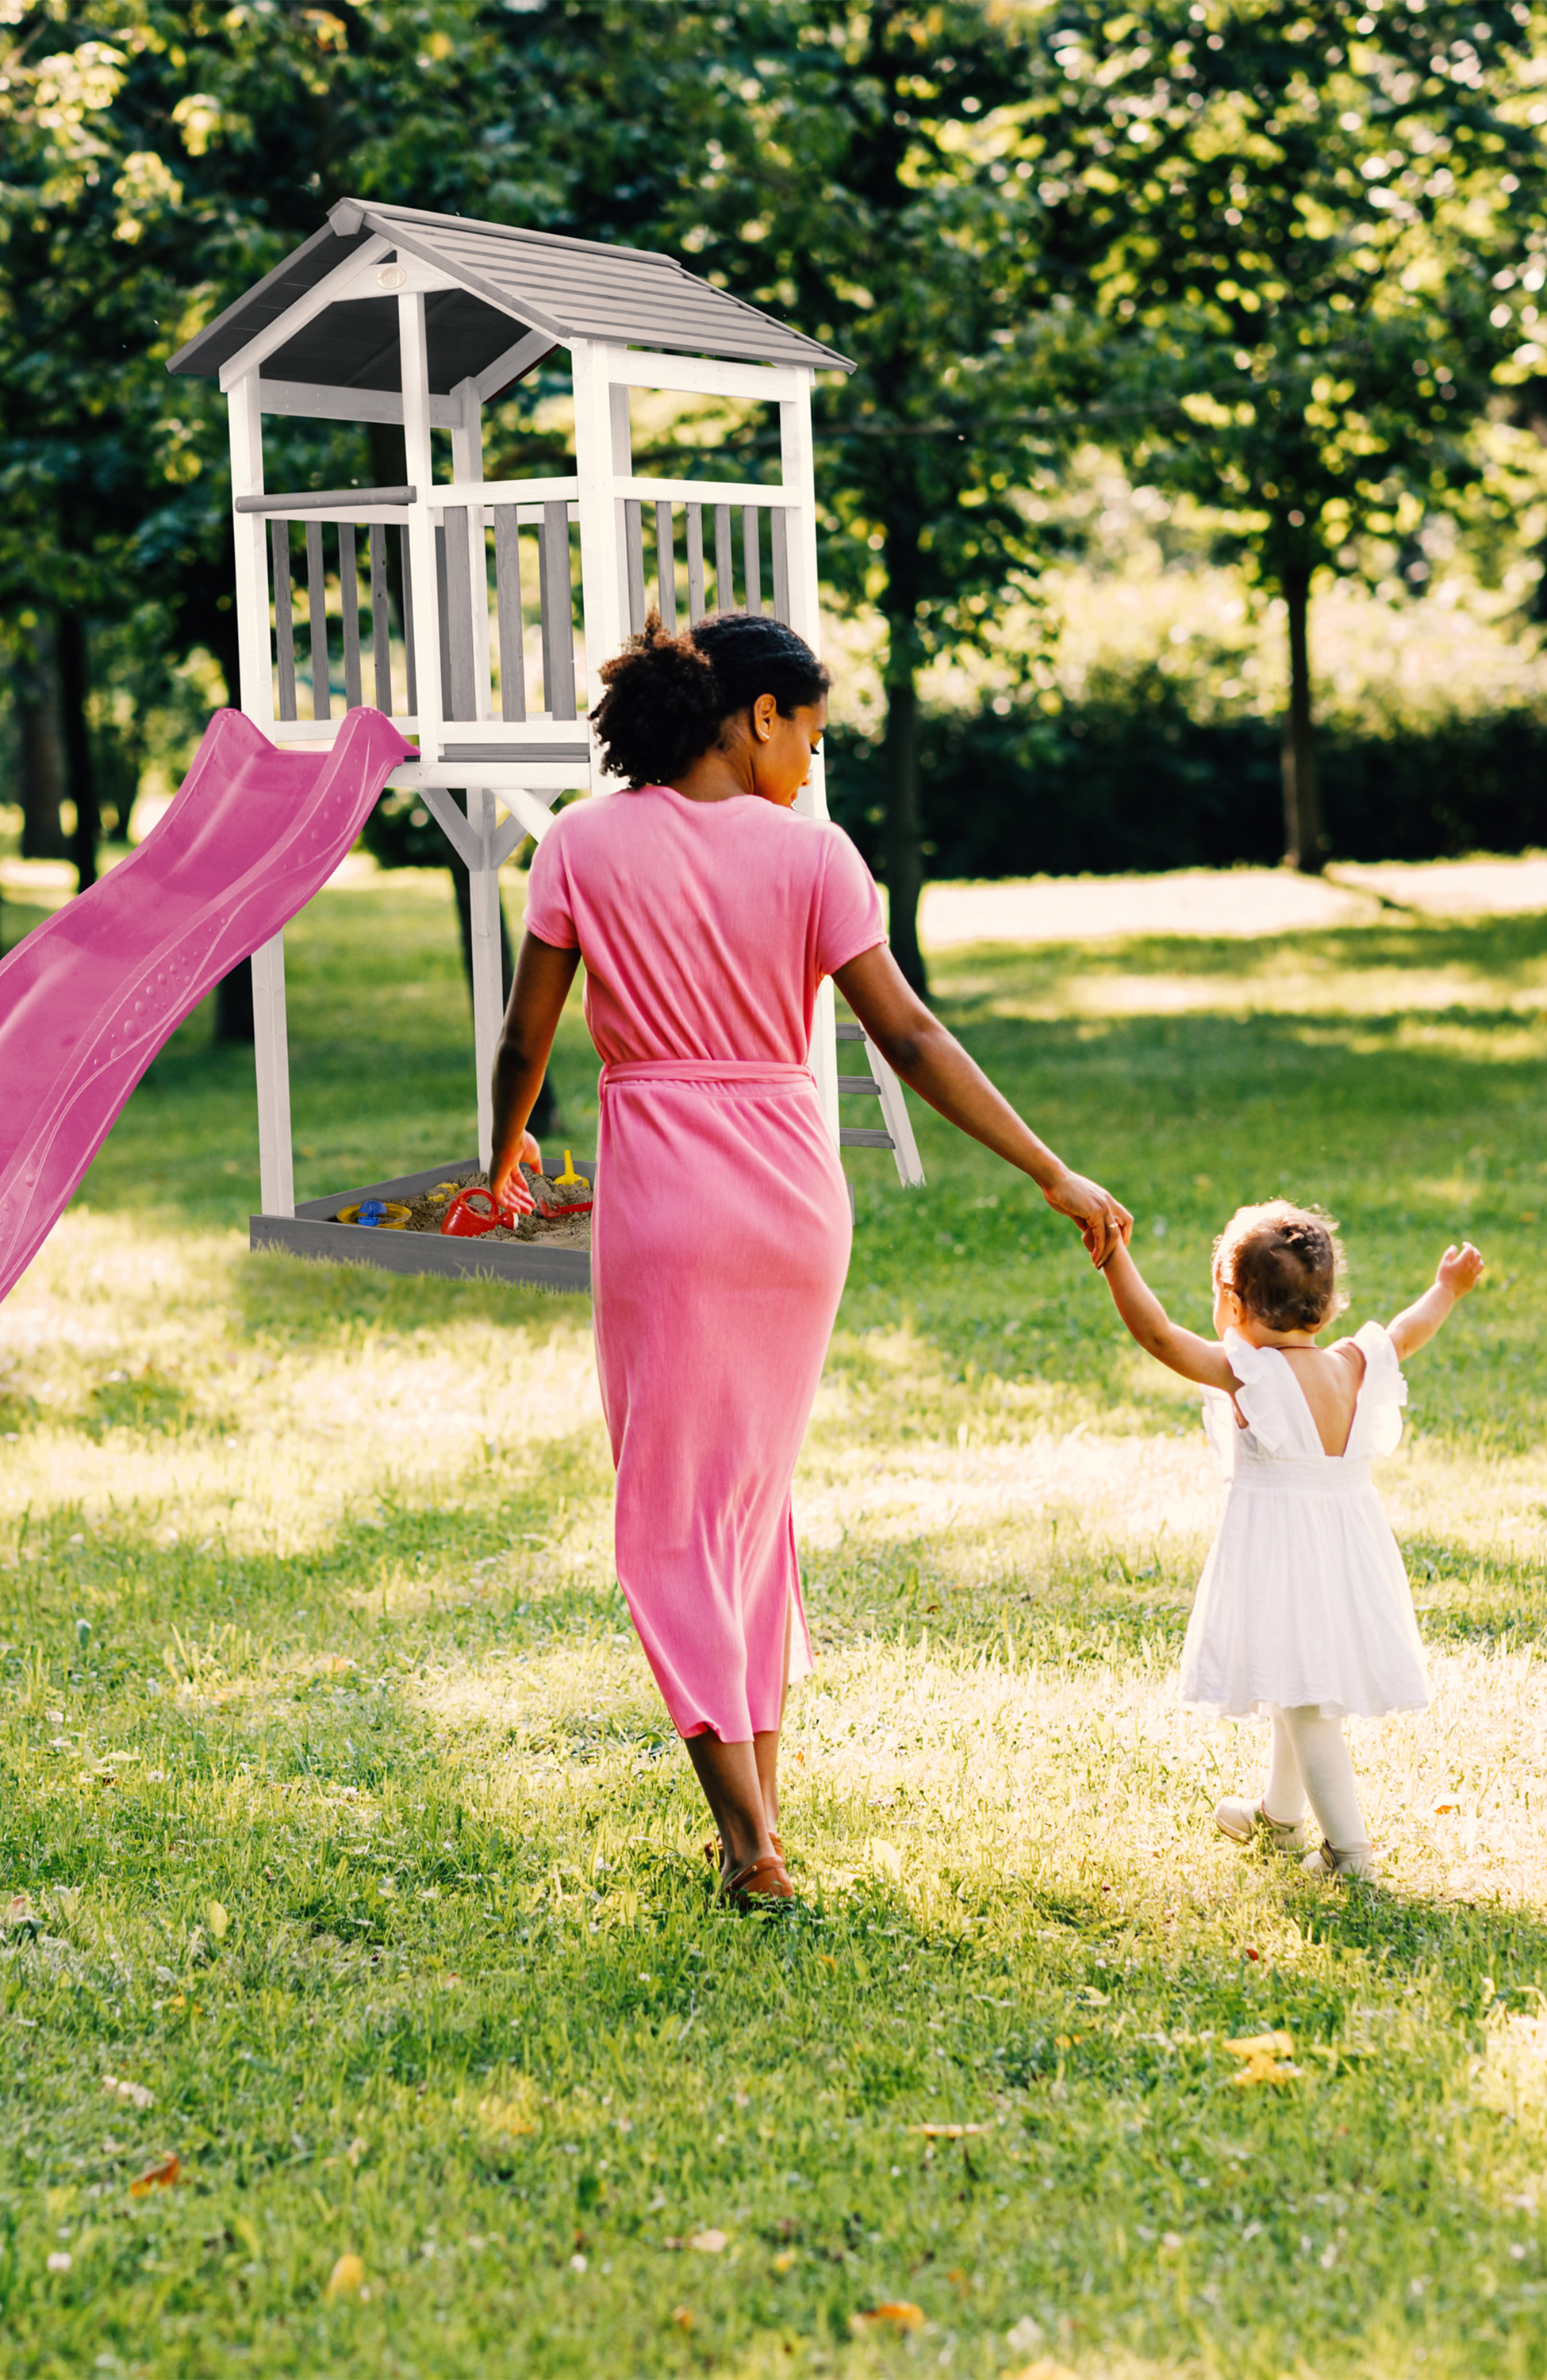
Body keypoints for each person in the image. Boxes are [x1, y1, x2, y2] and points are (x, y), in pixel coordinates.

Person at [484, 612, 1131, 1908]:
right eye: (812, 736)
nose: (812, 765)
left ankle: (746, 1843)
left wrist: (499, 1157)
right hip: (792, 1202)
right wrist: (1048, 1167)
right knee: (746, 1506)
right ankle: (759, 1820)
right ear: (757, 715)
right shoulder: (816, 857)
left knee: (672, 1517)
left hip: (666, 1201)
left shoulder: (579, 842)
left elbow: (525, 1039)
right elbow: (911, 1037)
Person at [1096, 1199, 1485, 1879]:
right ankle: (1279, 1818)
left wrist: (1113, 1256)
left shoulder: (1250, 1374)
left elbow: (1157, 1335)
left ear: (1234, 1305)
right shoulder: (1355, 1363)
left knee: (1307, 1705)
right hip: (1346, 1554)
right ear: (1328, 1307)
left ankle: (1350, 1855)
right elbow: (1408, 1329)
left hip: (1285, 1556)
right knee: (1292, 1678)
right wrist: (1445, 1289)